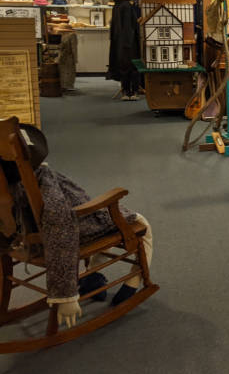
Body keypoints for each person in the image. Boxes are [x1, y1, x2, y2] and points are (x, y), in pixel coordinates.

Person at [0, 124, 153, 329]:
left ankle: (93, 277)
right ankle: (132, 284)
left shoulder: (5, 185)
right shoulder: (39, 178)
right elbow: (59, 223)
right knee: (141, 224)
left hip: (22, 237)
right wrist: (65, 296)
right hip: (69, 229)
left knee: (103, 223)